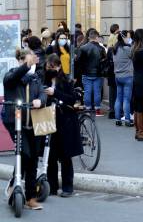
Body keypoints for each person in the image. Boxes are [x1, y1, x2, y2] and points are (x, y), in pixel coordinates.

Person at [2, 49, 46, 210]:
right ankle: (16, 183)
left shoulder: (35, 79)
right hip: (15, 122)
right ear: (20, 61)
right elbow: (13, 78)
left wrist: (40, 101)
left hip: (33, 122)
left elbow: (42, 94)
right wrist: (27, 65)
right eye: (28, 62)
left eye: (33, 62)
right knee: (25, 153)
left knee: (33, 156)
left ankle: (30, 197)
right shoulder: (11, 76)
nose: (32, 65)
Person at [44, 54, 83, 197]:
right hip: (49, 119)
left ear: (59, 66)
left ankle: (68, 187)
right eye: (48, 67)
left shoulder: (65, 80)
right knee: (50, 155)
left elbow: (72, 99)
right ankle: (52, 186)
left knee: (66, 156)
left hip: (65, 121)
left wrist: (56, 93)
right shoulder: (44, 80)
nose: (50, 70)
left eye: (52, 67)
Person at [76, 29, 107, 116]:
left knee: (87, 91)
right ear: (97, 37)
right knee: (97, 92)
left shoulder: (83, 48)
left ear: (89, 37)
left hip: (86, 73)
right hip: (98, 73)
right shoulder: (101, 48)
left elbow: (78, 61)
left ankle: (87, 109)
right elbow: (105, 61)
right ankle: (97, 110)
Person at [113, 30, 134, 127]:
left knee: (118, 98)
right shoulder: (128, 49)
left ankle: (117, 119)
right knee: (126, 99)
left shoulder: (115, 49)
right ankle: (127, 119)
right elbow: (133, 57)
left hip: (117, 76)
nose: (129, 39)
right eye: (128, 37)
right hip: (127, 76)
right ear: (124, 38)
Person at [106, 24, 121, 120]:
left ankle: (112, 110)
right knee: (118, 92)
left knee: (112, 92)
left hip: (111, 72)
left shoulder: (109, 40)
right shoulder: (116, 41)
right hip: (117, 72)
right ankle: (118, 111)